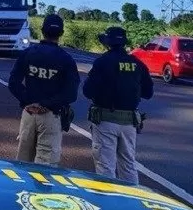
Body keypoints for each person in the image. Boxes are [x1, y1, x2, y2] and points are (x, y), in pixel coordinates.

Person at [82, 26, 153, 185]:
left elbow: (87, 91)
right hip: (129, 122)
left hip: (105, 119)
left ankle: (108, 202)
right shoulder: (137, 64)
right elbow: (148, 93)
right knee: (128, 165)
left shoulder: (103, 62)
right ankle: (131, 201)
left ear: (107, 43)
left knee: (105, 166)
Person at [8, 14, 80, 166]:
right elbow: (71, 93)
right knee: (46, 165)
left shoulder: (28, 53)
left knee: (22, 162)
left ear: (42, 31)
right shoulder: (66, 59)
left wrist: (28, 101)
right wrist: (46, 104)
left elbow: (13, 82)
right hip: (51, 115)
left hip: (28, 113)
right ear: (61, 33)